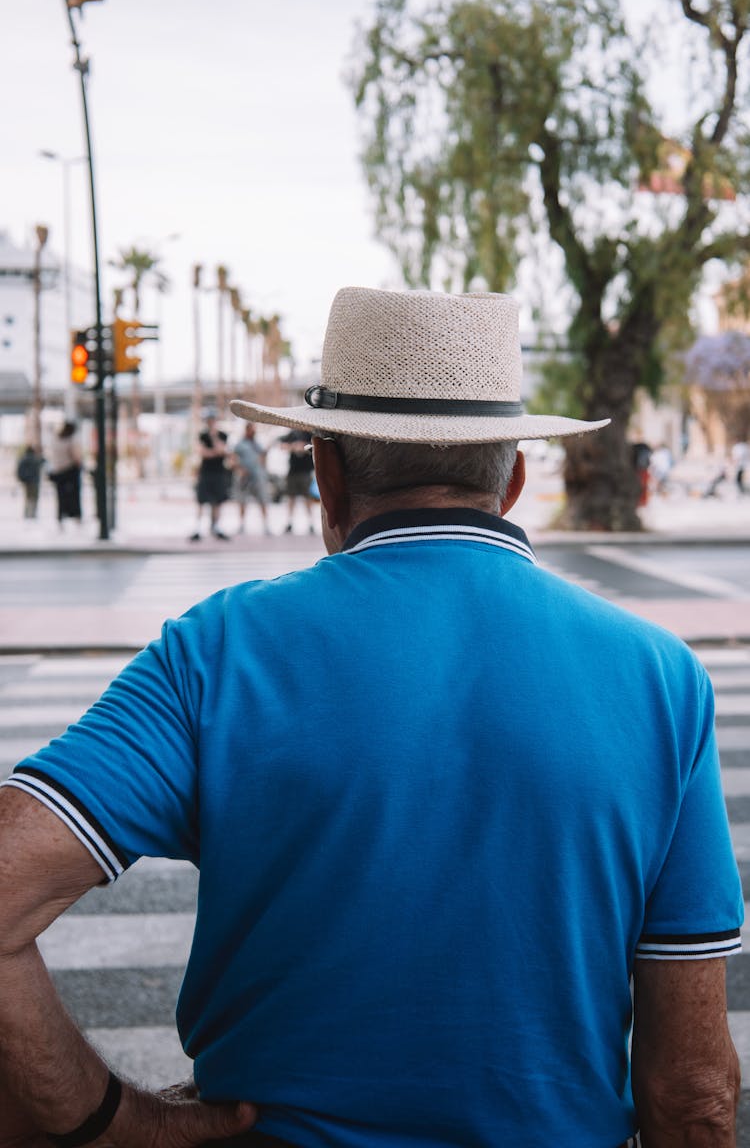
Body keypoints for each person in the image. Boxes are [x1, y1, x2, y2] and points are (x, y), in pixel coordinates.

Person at [0, 286, 742, 1147]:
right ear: (515, 477)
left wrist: (104, 1120)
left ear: (326, 470)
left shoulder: (216, 652)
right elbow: (692, 1090)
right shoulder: (660, 678)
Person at [190, 411, 232, 541]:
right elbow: (202, 453)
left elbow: (222, 450)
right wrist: (215, 452)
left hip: (219, 472)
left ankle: (215, 527)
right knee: (201, 501)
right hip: (205, 472)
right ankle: (198, 528)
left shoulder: (222, 435)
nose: (210, 423)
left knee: (217, 501)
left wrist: (214, 438)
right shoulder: (202, 435)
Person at [230, 423, 270, 535]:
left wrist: (262, 468)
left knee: (263, 500)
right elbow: (232, 460)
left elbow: (263, 456)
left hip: (257, 477)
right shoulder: (240, 444)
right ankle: (242, 525)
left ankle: (266, 525)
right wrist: (240, 469)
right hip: (245, 477)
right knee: (242, 501)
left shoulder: (257, 444)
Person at [278, 428, 316, 532]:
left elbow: (315, 447)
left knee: (308, 498)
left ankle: (311, 523)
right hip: (293, 471)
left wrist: (304, 447)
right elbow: (282, 445)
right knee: (291, 498)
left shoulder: (309, 434)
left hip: (305, 471)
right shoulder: (292, 434)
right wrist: (294, 447)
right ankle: (289, 522)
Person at [47, 420, 83, 525]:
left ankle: (60, 516)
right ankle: (76, 516)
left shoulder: (55, 440)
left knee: (60, 496)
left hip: (58, 471)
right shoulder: (71, 441)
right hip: (70, 470)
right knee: (74, 496)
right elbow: (76, 457)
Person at [15, 443, 44, 519]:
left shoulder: (23, 458)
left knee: (28, 498)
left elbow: (18, 469)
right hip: (34, 481)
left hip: (26, 481)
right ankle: (32, 514)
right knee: (34, 498)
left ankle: (27, 513)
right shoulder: (35, 459)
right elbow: (43, 462)